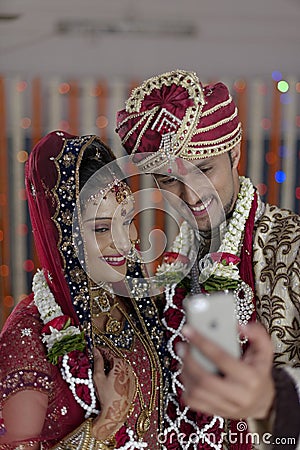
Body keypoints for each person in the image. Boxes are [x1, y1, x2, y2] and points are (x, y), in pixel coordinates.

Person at [116, 69, 300, 448]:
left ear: (235, 153)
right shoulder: (163, 262)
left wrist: (270, 402)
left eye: (204, 170)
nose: (189, 193)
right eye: (168, 180)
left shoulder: (292, 246)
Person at [0, 131, 168, 449]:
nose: (127, 239)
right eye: (103, 228)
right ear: (60, 232)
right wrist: (106, 424)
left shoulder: (132, 300)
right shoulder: (28, 333)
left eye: (127, 219)